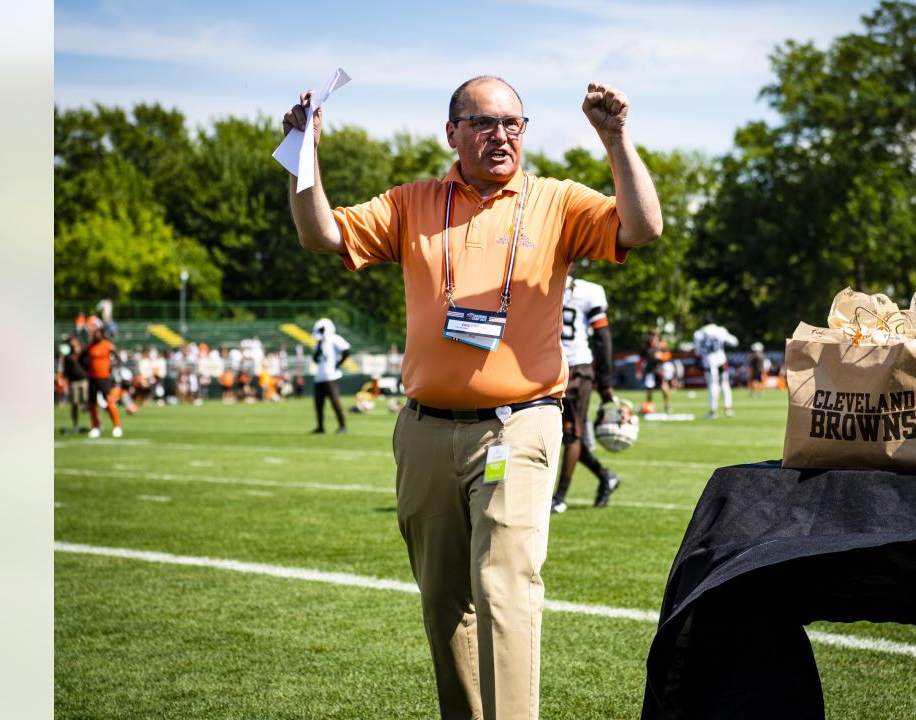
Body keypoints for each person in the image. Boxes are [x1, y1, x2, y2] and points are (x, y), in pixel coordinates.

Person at [283, 74, 661, 720]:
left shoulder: (556, 201)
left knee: (504, 589)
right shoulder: (414, 202)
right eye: (484, 123)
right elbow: (321, 235)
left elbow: (644, 226)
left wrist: (616, 139)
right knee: (443, 601)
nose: (501, 135)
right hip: (425, 429)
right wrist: (303, 152)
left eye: (513, 123)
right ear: (451, 132)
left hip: (520, 424)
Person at [551, 271, 620, 514]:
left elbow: (602, 338)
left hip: (576, 369)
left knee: (572, 434)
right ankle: (605, 476)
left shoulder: (585, 292)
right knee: (560, 434)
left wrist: (605, 382)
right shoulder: (582, 291)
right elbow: (602, 339)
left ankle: (558, 497)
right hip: (551, 369)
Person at [309, 317, 350, 434]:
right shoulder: (319, 344)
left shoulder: (334, 339)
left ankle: (343, 426)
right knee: (318, 404)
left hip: (331, 377)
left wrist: (338, 363)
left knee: (335, 402)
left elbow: (346, 350)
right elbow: (315, 358)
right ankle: (320, 427)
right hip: (319, 377)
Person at [81, 324, 123, 438]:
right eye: (95, 334)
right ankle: (95, 427)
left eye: (98, 333)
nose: (96, 335)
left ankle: (117, 426)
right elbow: (81, 359)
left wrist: (113, 366)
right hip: (92, 378)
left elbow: (117, 357)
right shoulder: (90, 347)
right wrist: (86, 369)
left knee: (109, 401)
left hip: (104, 378)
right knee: (92, 404)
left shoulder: (107, 345)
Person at [694, 319, 738, 419]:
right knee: (725, 384)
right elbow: (734, 342)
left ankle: (713, 411)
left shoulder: (699, 334)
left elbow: (697, 351)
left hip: (708, 362)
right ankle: (728, 409)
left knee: (713, 386)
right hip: (721, 361)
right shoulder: (720, 330)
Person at [61, 335, 89, 434]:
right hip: (73, 383)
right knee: (74, 405)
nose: (71, 343)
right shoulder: (68, 356)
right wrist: (65, 385)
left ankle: (96, 424)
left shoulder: (84, 353)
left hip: (85, 381)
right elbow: (65, 373)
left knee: (89, 403)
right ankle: (76, 425)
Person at [641, 328, 671, 413]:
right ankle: (649, 407)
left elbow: (668, 355)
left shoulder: (661, 345)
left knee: (664, 388)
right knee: (649, 389)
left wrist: (661, 356)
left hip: (659, 369)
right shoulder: (646, 346)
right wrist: (639, 370)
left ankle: (667, 405)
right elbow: (641, 358)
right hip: (650, 370)